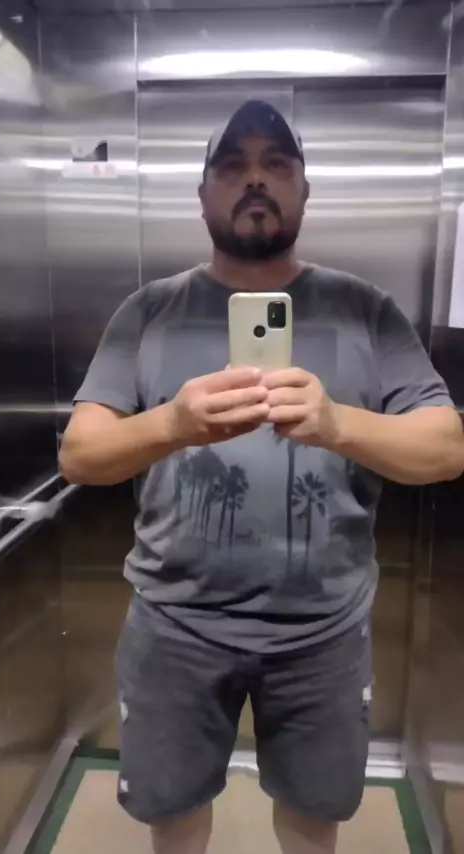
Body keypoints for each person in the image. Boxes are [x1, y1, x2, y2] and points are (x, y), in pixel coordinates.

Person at [59, 99, 463, 854]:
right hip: (174, 625)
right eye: (232, 165)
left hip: (324, 631)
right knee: (174, 813)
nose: (255, 180)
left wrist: (337, 424)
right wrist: (173, 424)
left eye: (276, 164)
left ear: (304, 190)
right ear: (202, 195)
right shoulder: (147, 312)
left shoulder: (366, 311)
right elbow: (80, 454)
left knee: (313, 814)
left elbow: (445, 448)